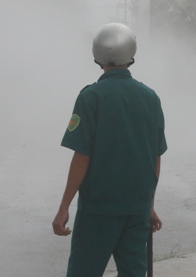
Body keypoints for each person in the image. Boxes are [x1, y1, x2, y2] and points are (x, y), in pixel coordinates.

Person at [53, 23, 167, 277]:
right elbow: (154, 157)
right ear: (131, 54)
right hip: (136, 209)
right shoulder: (150, 97)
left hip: (98, 210)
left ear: (97, 56)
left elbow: (82, 156)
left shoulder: (91, 97)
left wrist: (64, 207)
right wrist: (148, 204)